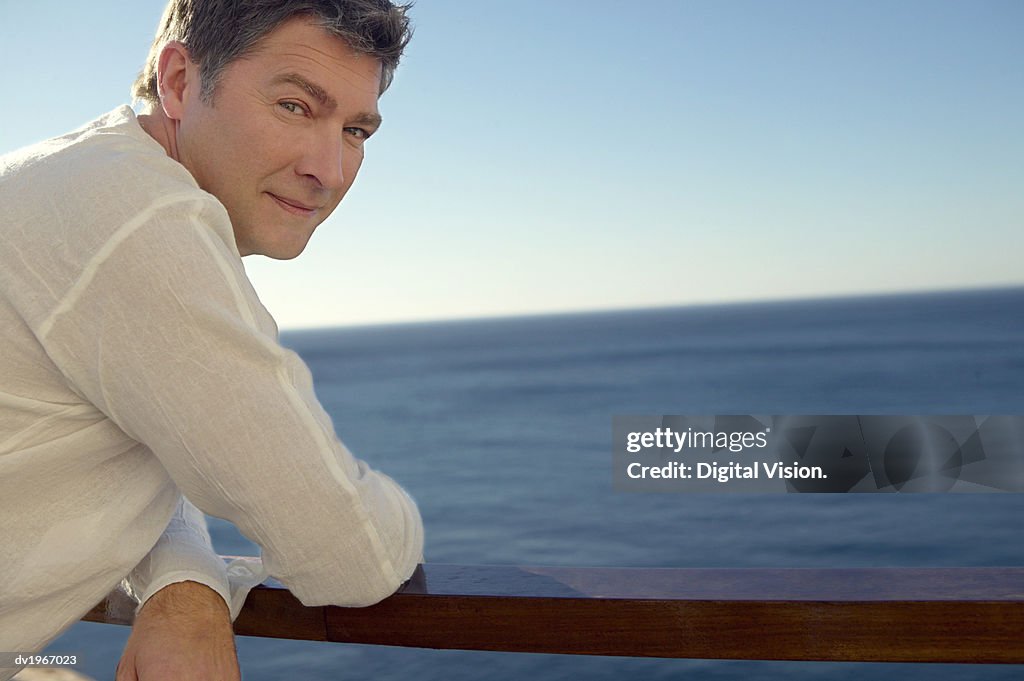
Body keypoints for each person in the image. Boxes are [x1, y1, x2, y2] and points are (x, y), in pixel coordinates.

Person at [0, 1, 424, 679]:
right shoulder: (143, 223)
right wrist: (407, 517)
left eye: (355, 130)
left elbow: (146, 445)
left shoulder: (78, 177)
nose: (331, 169)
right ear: (178, 81)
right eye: (294, 106)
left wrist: (183, 580)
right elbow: (353, 553)